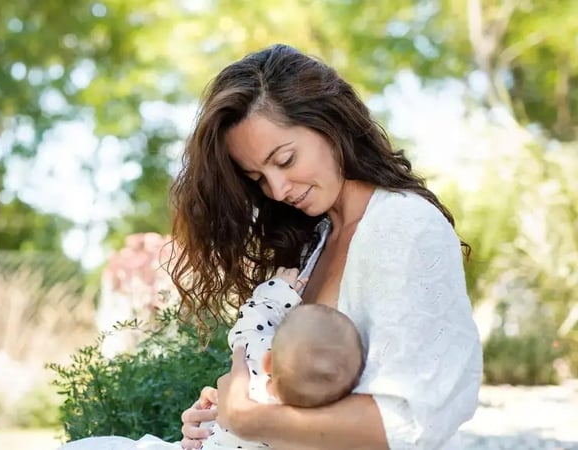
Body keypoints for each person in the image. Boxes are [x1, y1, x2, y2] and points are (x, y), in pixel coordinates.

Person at [60, 43, 482, 450]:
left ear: (330, 124)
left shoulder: (404, 226)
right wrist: (218, 420)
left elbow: (410, 424)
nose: (277, 190)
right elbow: (291, 396)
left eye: (285, 160)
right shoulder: (316, 241)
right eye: (258, 178)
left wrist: (246, 417)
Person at [200, 266, 364, 450]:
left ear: (268, 361)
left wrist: (278, 289)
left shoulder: (256, 366)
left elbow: (251, 324)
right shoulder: (303, 430)